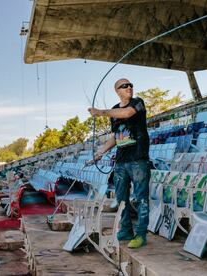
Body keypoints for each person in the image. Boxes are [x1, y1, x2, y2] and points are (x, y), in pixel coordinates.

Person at [88, 78, 150, 249]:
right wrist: (100, 152)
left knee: (141, 198)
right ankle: (126, 231)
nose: (129, 87)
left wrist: (100, 112)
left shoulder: (137, 103)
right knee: (121, 198)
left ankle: (141, 234)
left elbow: (128, 113)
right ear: (117, 90)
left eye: (131, 85)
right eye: (124, 86)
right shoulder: (114, 110)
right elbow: (115, 137)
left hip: (138, 158)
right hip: (121, 160)